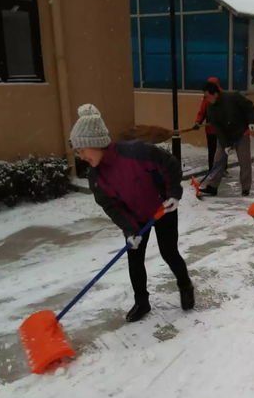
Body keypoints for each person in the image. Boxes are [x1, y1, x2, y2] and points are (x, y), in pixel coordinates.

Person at [69, 103, 194, 322]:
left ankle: (185, 286)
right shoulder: (96, 178)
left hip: (162, 208)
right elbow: (111, 206)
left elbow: (169, 164)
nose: (80, 156)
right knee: (135, 258)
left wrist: (173, 193)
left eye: (81, 150)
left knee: (168, 252)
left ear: (94, 143)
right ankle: (141, 302)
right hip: (135, 219)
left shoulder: (135, 152)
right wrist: (129, 229)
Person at [199, 81, 254, 197]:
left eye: (207, 96)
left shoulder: (233, 97)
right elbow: (217, 128)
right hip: (225, 135)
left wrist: (251, 122)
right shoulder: (211, 108)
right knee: (218, 159)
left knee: (244, 161)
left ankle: (246, 188)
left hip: (241, 133)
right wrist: (225, 145)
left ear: (215, 93)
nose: (206, 99)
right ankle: (212, 186)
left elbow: (249, 106)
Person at [192, 76, 226, 173]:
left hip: (222, 129)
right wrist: (197, 122)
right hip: (211, 130)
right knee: (213, 150)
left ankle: (223, 168)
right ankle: (213, 168)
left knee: (223, 149)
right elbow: (202, 113)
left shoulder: (223, 97)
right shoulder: (206, 99)